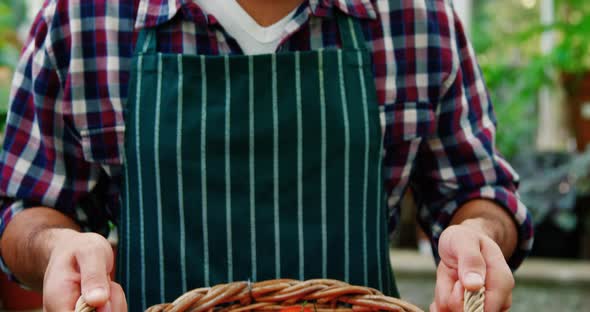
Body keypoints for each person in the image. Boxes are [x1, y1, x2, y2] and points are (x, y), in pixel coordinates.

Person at [0, 0, 533, 311]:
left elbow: (478, 194)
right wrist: (58, 249)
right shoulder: (83, 21)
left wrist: (478, 237)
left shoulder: (418, 20)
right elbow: (25, 211)